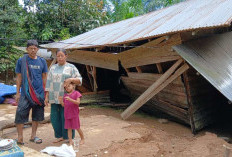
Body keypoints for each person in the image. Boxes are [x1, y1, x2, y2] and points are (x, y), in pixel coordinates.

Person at [45, 48, 82, 143]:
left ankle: (68, 138)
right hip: (54, 96)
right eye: (58, 56)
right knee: (54, 117)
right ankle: (59, 136)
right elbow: (48, 82)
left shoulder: (71, 67)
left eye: (62, 55)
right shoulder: (53, 68)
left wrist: (70, 80)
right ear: (56, 57)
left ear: (66, 56)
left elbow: (80, 80)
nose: (60, 58)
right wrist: (46, 96)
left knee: (66, 117)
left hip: (67, 98)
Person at [15, 40, 48, 145]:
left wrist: (46, 94)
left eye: (35, 48)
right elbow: (19, 77)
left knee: (37, 116)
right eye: (31, 48)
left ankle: (33, 136)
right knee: (20, 113)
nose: (33, 50)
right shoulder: (22, 61)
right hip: (25, 93)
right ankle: (20, 138)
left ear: (37, 49)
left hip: (39, 94)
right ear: (27, 49)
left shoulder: (42, 61)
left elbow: (44, 78)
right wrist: (17, 93)